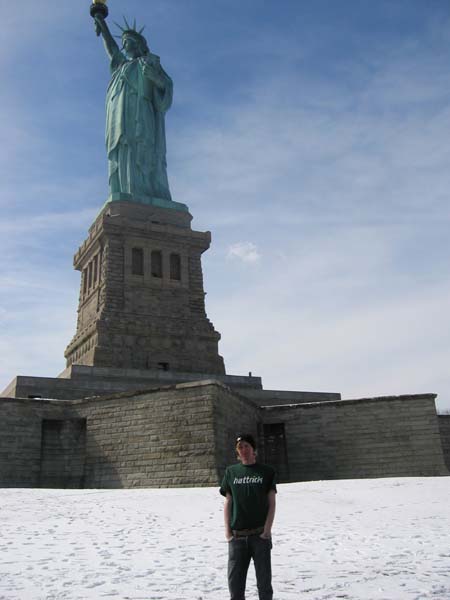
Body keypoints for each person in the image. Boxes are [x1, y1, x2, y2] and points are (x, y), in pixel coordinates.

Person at [93, 15, 173, 204]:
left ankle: (145, 191)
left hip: (141, 116)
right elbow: (112, 49)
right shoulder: (121, 66)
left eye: (127, 41)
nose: (124, 45)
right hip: (119, 119)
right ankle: (126, 190)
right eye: (123, 42)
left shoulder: (150, 62)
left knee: (141, 150)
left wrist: (155, 78)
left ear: (139, 45)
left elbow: (167, 87)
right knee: (123, 150)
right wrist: (102, 24)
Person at [220, 434, 277, 600]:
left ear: (254, 450)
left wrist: (267, 531)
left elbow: (272, 503)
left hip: (260, 536)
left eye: (246, 446)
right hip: (237, 537)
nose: (243, 450)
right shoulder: (231, 472)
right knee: (235, 587)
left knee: (264, 586)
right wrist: (228, 532)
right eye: (240, 447)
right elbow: (228, 502)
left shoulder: (267, 472)